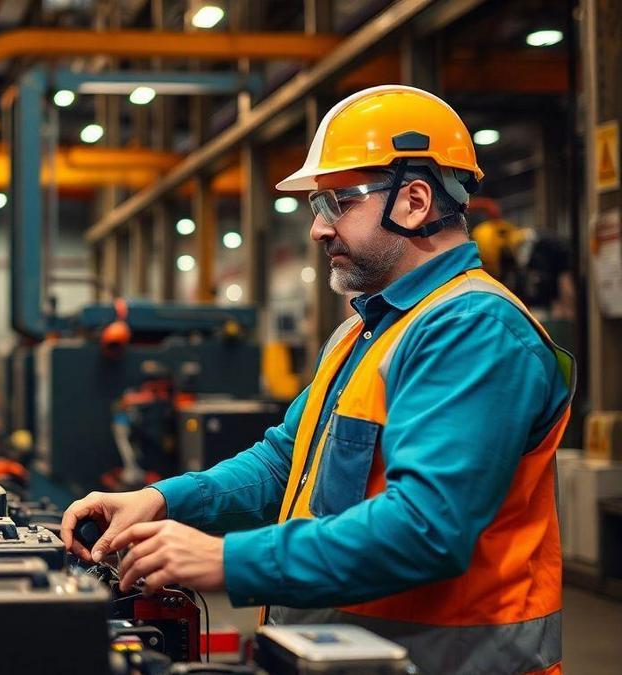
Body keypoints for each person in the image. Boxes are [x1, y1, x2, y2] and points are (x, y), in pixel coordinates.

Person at [62, 85, 572, 675]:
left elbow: (427, 528)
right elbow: (286, 463)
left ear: (413, 200)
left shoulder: (473, 330)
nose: (318, 230)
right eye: (317, 208)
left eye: (337, 202)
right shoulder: (367, 329)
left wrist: (228, 560)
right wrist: (160, 500)